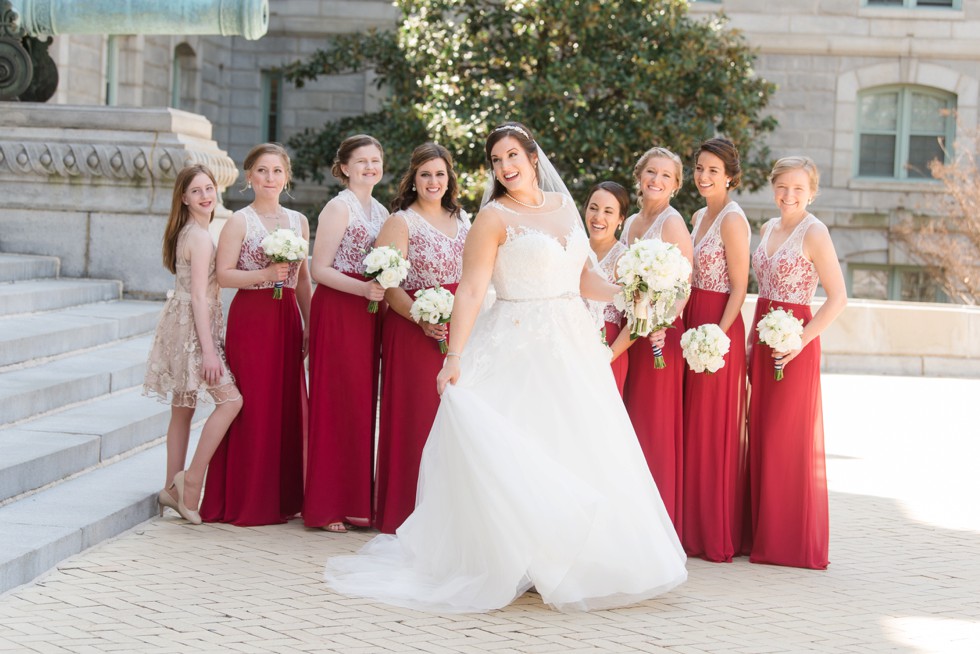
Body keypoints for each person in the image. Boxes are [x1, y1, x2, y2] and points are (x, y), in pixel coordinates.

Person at [324, 122, 687, 613]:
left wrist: (630, 293)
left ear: (532, 158)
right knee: (519, 445)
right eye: (496, 160)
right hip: (514, 338)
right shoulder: (492, 218)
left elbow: (584, 278)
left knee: (577, 445)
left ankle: (571, 558)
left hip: (570, 342)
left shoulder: (563, 208)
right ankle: (520, 561)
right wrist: (454, 356)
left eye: (511, 155)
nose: (505, 166)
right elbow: (472, 290)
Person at [201, 143, 311, 526]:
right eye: (262, 171)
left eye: (277, 171)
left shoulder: (299, 221)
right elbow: (225, 275)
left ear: (286, 176)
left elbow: (303, 280)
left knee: (283, 405)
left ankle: (281, 498)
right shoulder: (239, 221)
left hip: (286, 319)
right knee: (254, 406)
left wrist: (310, 322)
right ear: (249, 177)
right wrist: (265, 275)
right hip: (252, 318)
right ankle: (246, 499)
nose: (269, 178)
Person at [748, 156, 846, 570]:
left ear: (812, 192)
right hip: (762, 332)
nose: (789, 195)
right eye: (783, 187)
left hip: (794, 343)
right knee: (761, 434)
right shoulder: (768, 228)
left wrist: (800, 341)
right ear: (773, 188)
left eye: (798, 189)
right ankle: (760, 535)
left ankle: (788, 543)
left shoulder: (815, 231)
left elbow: (838, 298)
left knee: (786, 438)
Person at [373, 142, 470, 534]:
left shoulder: (464, 219)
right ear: (413, 178)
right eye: (426, 174)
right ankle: (405, 513)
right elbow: (389, 284)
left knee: (453, 420)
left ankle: (447, 516)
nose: (433, 181)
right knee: (417, 419)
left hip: (457, 331)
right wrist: (420, 317)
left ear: (450, 179)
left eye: (440, 174)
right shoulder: (401, 221)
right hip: (413, 330)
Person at [144, 164, 243, 524]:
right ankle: (191, 481)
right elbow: (201, 297)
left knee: (182, 409)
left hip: (181, 322)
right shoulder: (199, 238)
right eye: (197, 191)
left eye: (209, 188)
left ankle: (171, 489)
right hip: (193, 329)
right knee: (231, 401)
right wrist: (210, 350)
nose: (205, 196)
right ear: (184, 198)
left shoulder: (189, 231)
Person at [304, 134, 388, 533]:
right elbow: (318, 269)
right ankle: (327, 504)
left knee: (359, 404)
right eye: (362, 161)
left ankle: (357, 501)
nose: (370, 167)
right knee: (335, 402)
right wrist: (363, 289)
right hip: (339, 308)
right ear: (345, 167)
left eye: (376, 160)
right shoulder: (338, 208)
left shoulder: (382, 210)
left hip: (368, 313)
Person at [682, 137, 750, 562]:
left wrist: (717, 336)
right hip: (691, 321)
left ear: (729, 176)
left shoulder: (732, 220)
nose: (703, 176)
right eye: (699, 168)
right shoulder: (696, 215)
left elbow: (741, 286)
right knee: (693, 425)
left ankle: (715, 532)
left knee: (713, 427)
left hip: (718, 327)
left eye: (712, 170)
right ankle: (690, 528)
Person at [619, 147, 693, 530]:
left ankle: (658, 526)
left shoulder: (672, 222)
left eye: (666, 175)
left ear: (676, 185)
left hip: (659, 336)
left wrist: (663, 321)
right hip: (632, 330)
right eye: (651, 172)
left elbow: (685, 283)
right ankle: (632, 518)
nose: (657, 180)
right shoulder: (631, 221)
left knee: (656, 425)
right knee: (632, 422)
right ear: (639, 174)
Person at [584, 181, 630, 395]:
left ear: (620, 219)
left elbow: (640, 318)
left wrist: (609, 355)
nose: (598, 217)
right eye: (593, 208)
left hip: (609, 349)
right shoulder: (575, 250)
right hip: (570, 344)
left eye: (608, 212)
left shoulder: (626, 259)